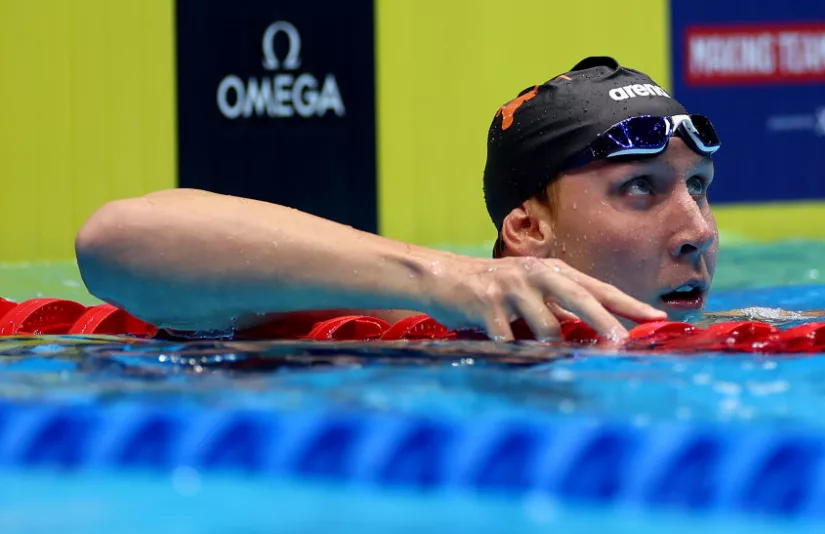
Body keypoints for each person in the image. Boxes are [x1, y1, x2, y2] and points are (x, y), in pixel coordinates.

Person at [74, 56, 724, 344]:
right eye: (640, 186)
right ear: (527, 230)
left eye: (698, 185)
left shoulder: (759, 336)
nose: (697, 229)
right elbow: (112, 241)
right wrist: (442, 276)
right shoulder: (418, 332)